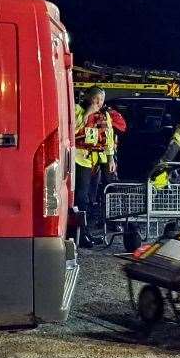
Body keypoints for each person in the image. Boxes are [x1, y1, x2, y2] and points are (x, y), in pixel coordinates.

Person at [74, 86, 117, 247]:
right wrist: (87, 113)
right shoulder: (77, 109)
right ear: (88, 98)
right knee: (81, 198)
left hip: (98, 160)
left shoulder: (105, 115)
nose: (99, 103)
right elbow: (72, 131)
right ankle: (80, 234)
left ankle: (88, 232)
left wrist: (111, 159)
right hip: (81, 158)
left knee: (93, 198)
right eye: (96, 99)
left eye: (102, 100)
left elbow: (109, 137)